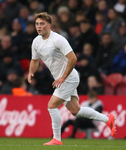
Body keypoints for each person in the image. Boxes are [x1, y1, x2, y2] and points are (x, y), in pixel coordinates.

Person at [27, 12, 116, 145]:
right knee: (76, 111)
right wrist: (30, 72)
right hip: (61, 78)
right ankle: (107, 119)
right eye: (37, 24)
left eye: (42, 24)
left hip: (68, 78)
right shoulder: (36, 42)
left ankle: (57, 138)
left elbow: (73, 58)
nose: (39, 27)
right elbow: (34, 60)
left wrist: (63, 77)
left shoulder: (58, 39)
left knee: (51, 106)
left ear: (49, 25)